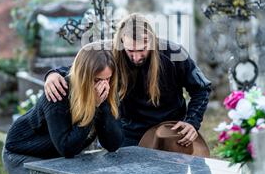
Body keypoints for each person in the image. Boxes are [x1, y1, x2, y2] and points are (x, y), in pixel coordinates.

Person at [44, 13, 212, 151]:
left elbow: (201, 88)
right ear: (121, 41)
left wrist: (192, 121)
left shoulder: (174, 54)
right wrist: (53, 74)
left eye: (142, 50)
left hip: (169, 133)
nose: (137, 57)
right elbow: (82, 69)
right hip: (127, 135)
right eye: (131, 50)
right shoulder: (109, 53)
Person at [3, 43, 123, 174]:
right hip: (22, 155)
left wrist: (104, 105)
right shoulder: (58, 93)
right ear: (83, 77)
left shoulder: (104, 89)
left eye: (108, 79)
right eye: (97, 80)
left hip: (56, 156)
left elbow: (112, 144)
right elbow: (67, 148)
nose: (103, 85)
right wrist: (92, 107)